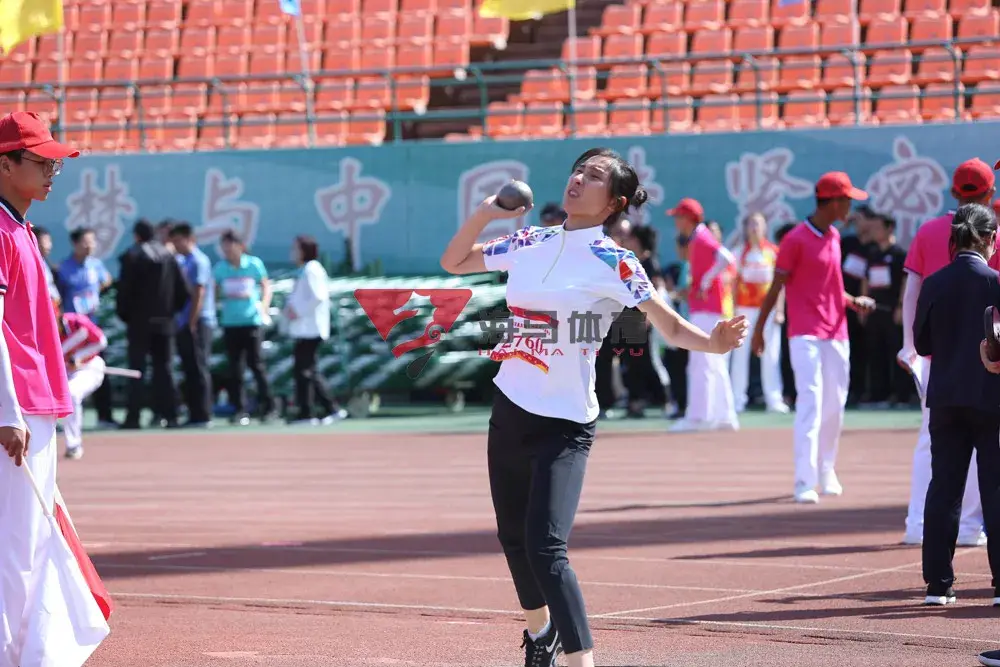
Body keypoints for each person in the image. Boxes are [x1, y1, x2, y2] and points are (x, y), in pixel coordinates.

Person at [439, 147, 747, 667]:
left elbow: (669, 326)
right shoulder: (531, 240)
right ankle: (540, 634)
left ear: (615, 203)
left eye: (595, 175)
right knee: (513, 537)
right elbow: (453, 262)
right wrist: (487, 212)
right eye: (578, 170)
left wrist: (713, 344)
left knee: (546, 546)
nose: (579, 178)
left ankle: (581, 661)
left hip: (565, 424)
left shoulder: (615, 261)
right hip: (510, 406)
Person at [0, 111, 109, 664]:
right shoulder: (1, 231)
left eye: (55, 164)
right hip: (18, 406)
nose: (51, 173)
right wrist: (6, 410)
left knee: (34, 540)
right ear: (5, 164)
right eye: (41, 162)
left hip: (34, 402)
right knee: (15, 545)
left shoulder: (19, 229)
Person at [751, 172, 876, 504]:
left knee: (834, 407)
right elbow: (776, 288)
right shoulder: (795, 240)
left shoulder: (834, 236)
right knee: (811, 403)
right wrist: (760, 329)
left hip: (837, 333)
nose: (850, 208)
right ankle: (804, 480)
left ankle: (826, 470)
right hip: (805, 334)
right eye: (848, 201)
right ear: (833, 202)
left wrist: (853, 301)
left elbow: (833, 287)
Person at [897, 158, 998, 548]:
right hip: (986, 360)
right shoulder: (991, 232)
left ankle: (917, 523)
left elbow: (912, 292)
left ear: (954, 192)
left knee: (932, 444)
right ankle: (969, 527)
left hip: (936, 358)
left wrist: (909, 346)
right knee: (983, 449)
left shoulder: (928, 231)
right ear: (990, 193)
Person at [916, 203, 1000, 606]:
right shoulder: (996, 282)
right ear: (990, 239)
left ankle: (938, 584)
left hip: (946, 398)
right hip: (991, 397)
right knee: (995, 488)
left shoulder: (934, 282)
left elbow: (921, 344)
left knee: (944, 488)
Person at [667, 198, 739, 432]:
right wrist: (703, 282)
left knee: (701, 362)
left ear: (688, 219)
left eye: (678, 217)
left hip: (706, 309)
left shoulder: (702, 237)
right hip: (708, 308)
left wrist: (705, 282)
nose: (676, 222)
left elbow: (727, 258)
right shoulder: (699, 237)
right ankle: (724, 416)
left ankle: (699, 417)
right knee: (713, 362)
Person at [116, 219, 189, 429]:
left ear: (136, 236)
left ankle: (133, 417)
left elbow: (124, 292)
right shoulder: (169, 256)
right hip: (165, 323)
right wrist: (170, 312)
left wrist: (126, 316)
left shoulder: (132, 256)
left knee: (136, 371)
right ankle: (170, 415)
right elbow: (183, 292)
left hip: (139, 323)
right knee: (165, 369)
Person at [213, 230, 276, 425]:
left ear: (240, 246)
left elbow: (265, 285)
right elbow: (214, 291)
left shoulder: (254, 264)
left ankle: (269, 408)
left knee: (257, 365)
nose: (227, 250)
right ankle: (240, 409)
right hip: (230, 323)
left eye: (229, 246)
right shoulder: (220, 268)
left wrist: (264, 306)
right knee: (235, 368)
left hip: (252, 322)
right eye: (224, 247)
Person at [56, 225, 116, 428]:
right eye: (85, 242)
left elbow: (107, 281)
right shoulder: (64, 268)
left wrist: (94, 294)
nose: (90, 246)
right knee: (67, 372)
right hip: (72, 332)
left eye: (92, 242)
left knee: (99, 370)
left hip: (92, 328)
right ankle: (63, 418)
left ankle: (105, 416)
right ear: (75, 244)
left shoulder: (96, 265)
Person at [283, 235, 347, 425]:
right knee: (308, 371)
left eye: (295, 249)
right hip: (304, 329)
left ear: (304, 251)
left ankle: (308, 413)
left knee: (304, 371)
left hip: (310, 329)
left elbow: (318, 296)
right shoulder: (305, 270)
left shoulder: (312, 269)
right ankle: (329, 409)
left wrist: (298, 312)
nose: (292, 253)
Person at [730, 212, 787, 414]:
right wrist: (733, 311)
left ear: (765, 228)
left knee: (771, 354)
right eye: (751, 224)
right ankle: (737, 399)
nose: (754, 228)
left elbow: (780, 284)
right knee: (740, 355)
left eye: (758, 224)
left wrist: (779, 310)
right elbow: (732, 284)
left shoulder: (773, 252)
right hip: (744, 310)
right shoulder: (738, 253)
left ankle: (774, 399)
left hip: (767, 311)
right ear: (746, 229)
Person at [859, 212, 910, 407]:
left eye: (878, 228)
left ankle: (900, 396)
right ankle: (878, 395)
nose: (874, 231)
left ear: (889, 228)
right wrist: (862, 305)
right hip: (873, 311)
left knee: (895, 352)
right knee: (875, 352)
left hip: (892, 311)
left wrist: (901, 307)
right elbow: (865, 280)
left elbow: (906, 282)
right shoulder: (872, 253)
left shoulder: (899, 254)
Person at [169, 223, 216, 428]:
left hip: (198, 322)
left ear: (189, 239)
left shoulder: (199, 260)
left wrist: (192, 321)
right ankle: (193, 412)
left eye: (178, 240)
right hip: (184, 322)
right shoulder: (182, 261)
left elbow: (199, 292)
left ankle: (203, 414)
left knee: (199, 367)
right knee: (189, 368)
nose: (175, 245)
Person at [58, 308, 108, 460]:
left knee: (72, 393)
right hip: (63, 373)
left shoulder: (76, 321)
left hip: (89, 367)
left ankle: (73, 445)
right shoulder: (39, 329)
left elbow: (101, 341)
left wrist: (78, 357)